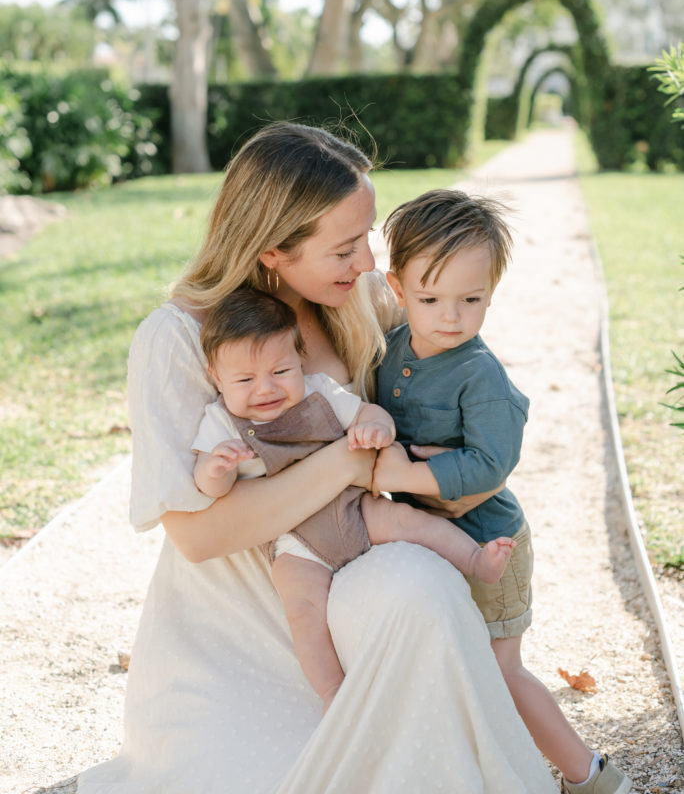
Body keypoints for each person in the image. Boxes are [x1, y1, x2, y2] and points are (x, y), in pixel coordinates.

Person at [76, 122, 558, 794]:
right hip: (237, 621)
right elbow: (199, 534)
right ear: (273, 249)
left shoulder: (359, 300)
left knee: (424, 593)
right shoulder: (178, 337)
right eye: (345, 246)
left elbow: (458, 373)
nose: (365, 261)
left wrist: (473, 458)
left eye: (366, 239)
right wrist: (350, 465)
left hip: (351, 577)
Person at [373, 188, 632, 794]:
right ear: (396, 286)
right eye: (430, 298)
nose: (451, 316)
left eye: (472, 299)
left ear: (492, 290)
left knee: (501, 669)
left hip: (492, 543)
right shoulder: (391, 351)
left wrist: (402, 475)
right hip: (432, 544)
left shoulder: (479, 373)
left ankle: (591, 775)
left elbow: (491, 464)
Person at [193, 287, 515, 713]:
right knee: (303, 608)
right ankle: (333, 694)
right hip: (296, 540)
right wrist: (218, 468)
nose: (266, 389)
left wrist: (376, 428)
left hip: (353, 508)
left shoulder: (319, 392)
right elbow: (206, 485)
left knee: (407, 521)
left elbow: (365, 413)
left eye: (281, 370)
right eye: (245, 380)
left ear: (300, 361)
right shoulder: (219, 421)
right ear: (217, 377)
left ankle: (476, 561)